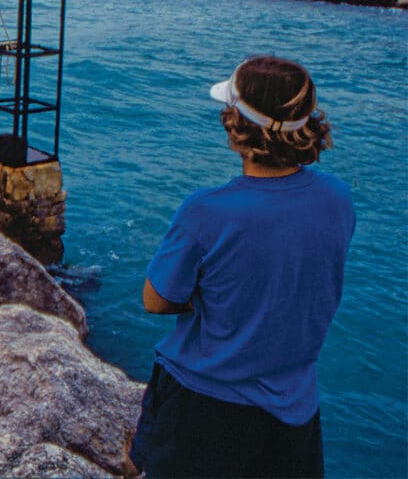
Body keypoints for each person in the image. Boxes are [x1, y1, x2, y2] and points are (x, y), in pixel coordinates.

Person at [128, 55, 355, 478]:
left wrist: (205, 298)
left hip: (203, 405)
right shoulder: (338, 199)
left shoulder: (206, 211)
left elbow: (155, 301)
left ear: (236, 127)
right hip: (294, 408)